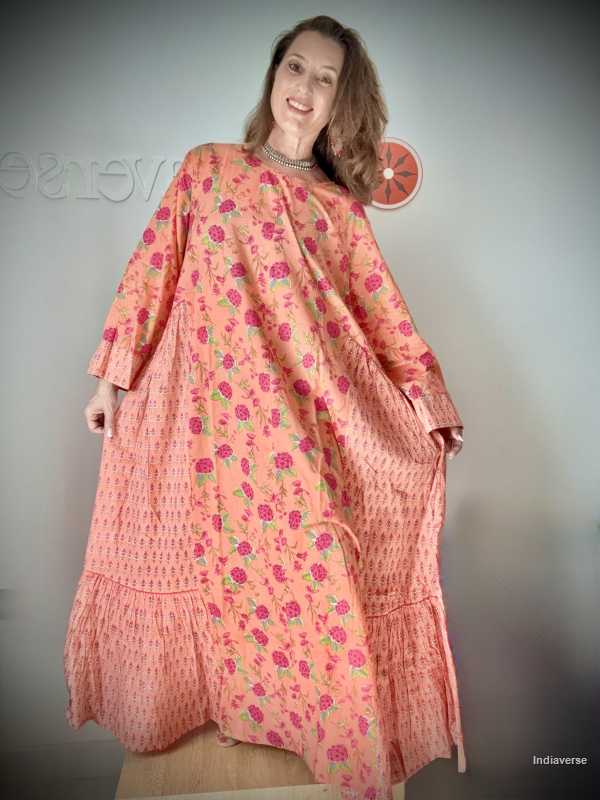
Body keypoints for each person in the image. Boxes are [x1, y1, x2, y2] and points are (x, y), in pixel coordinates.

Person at [64, 15, 466, 800]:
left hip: (296, 429)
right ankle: (209, 703)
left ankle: (314, 728)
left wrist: (426, 400)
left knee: (309, 581)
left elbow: (382, 314)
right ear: (273, 75)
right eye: (296, 68)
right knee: (206, 567)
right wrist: (111, 377)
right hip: (203, 424)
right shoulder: (207, 170)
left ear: (340, 99)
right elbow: (153, 270)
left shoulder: (340, 210)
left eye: (325, 78)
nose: (305, 89)